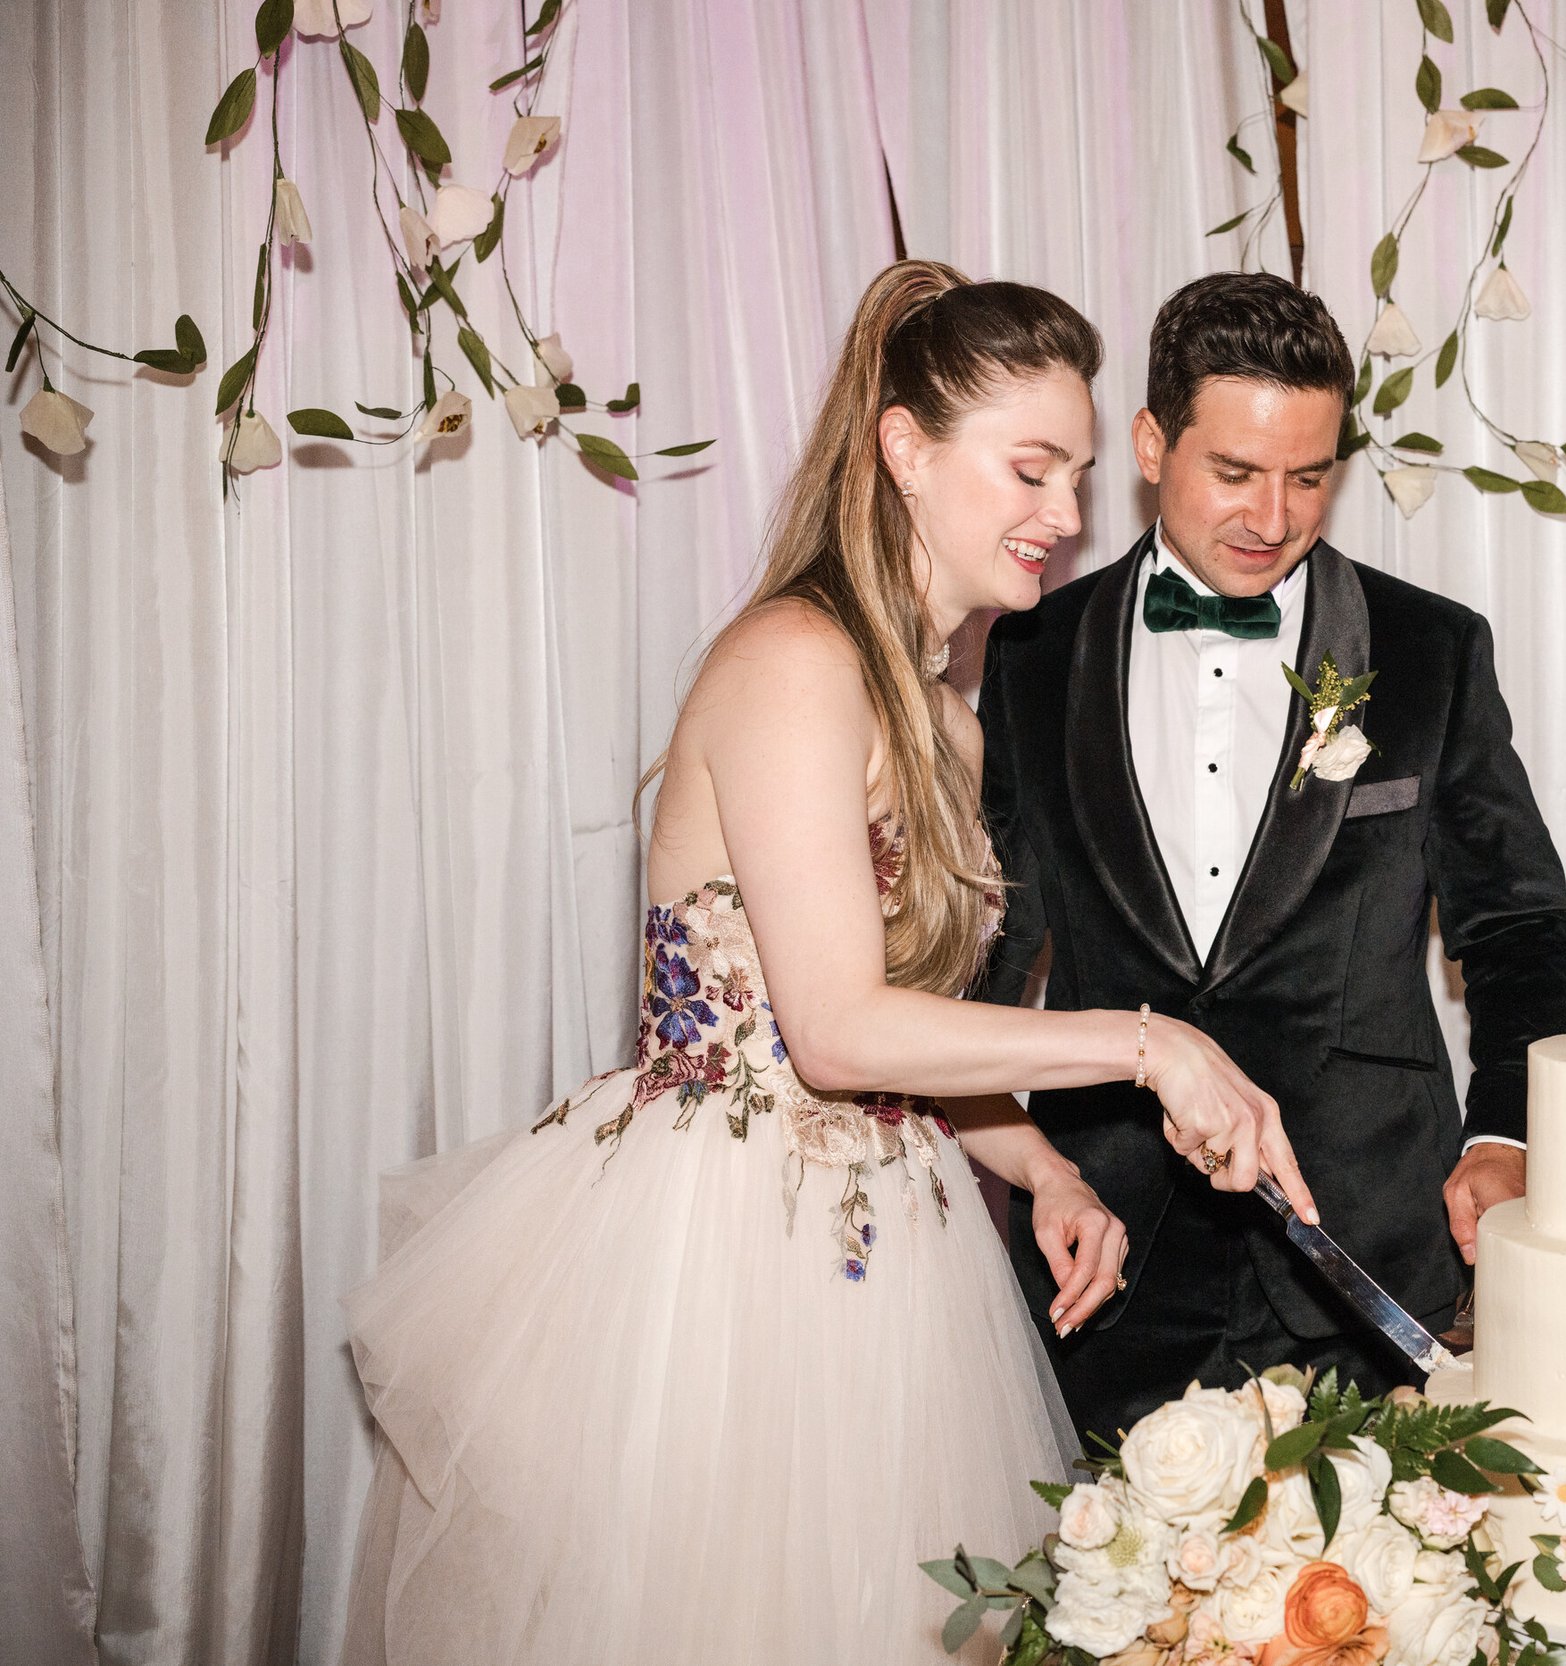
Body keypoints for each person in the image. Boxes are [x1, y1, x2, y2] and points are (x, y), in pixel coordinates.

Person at [338, 260, 1315, 1666]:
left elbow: (912, 1028)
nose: (1067, 515)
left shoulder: (949, 718)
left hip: (894, 1259)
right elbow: (838, 1032)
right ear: (907, 449)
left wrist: (1037, 1166)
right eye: (1031, 469)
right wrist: (1153, 1041)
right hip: (727, 1261)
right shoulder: (794, 660)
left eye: (1082, 475)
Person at [976, 271, 1566, 1447]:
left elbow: (1521, 927)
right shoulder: (1030, 653)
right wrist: (1027, 1168)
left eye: (1309, 477)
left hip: (1364, 1243)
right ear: (1153, 443)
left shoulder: (1431, 650)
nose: (1274, 514)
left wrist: (1503, 1136)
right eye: (1237, 472)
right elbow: (997, 951)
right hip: (1110, 1258)